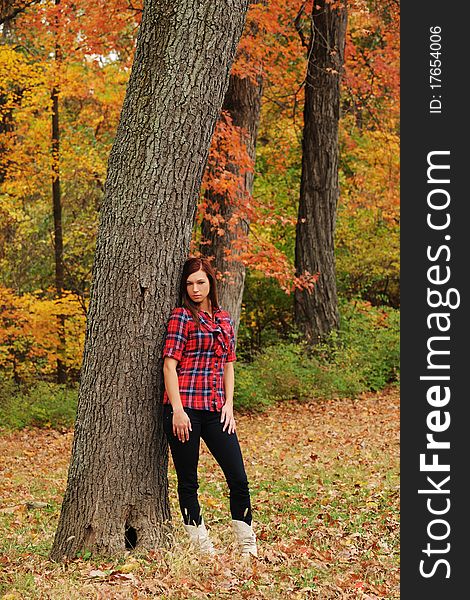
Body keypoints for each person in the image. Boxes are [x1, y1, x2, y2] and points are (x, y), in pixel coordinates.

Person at [162, 256, 257, 557]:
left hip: (216, 409)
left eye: (200, 282)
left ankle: (247, 545)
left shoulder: (224, 319)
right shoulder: (181, 317)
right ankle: (202, 548)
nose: (195, 288)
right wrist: (177, 409)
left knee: (238, 478)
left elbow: (229, 365)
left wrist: (229, 404)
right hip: (185, 409)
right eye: (189, 283)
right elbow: (168, 366)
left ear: (210, 283)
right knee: (189, 481)